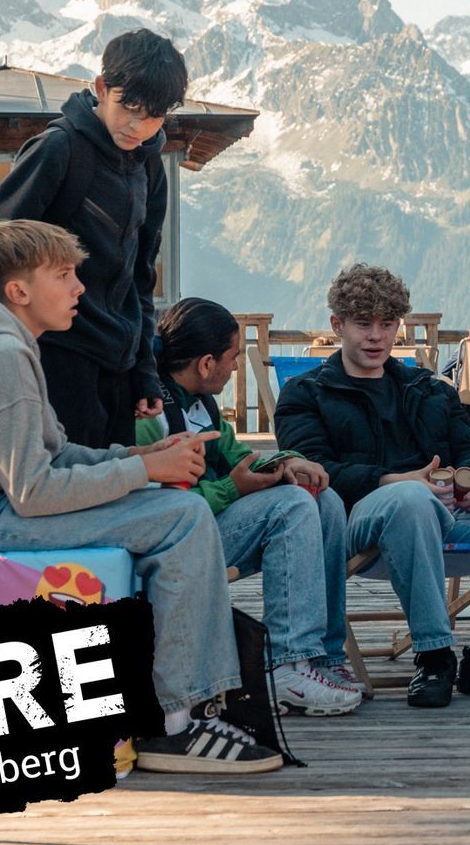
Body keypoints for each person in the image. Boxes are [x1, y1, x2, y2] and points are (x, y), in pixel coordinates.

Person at [0, 220, 281, 774]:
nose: (79, 288)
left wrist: (139, 456)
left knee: (181, 511)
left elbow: (55, 452)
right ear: (19, 291)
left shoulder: (1, 342)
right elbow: (34, 490)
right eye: (63, 275)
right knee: (183, 517)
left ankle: (174, 704)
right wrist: (145, 472)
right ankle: (176, 724)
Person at [274, 264, 470, 709]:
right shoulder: (307, 393)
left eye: (387, 324)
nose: (376, 336)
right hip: (361, 524)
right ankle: (434, 653)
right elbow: (314, 472)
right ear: (337, 325)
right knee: (411, 497)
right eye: (363, 324)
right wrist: (394, 480)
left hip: (448, 513)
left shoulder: (428, 388)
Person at [0, 28, 189, 448]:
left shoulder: (151, 169)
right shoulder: (59, 149)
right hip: (56, 355)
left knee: (113, 483)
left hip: (117, 368)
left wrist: (144, 370)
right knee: (60, 479)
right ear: (102, 88)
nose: (137, 125)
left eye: (153, 116)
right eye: (128, 107)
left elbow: (140, 277)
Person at [137, 297, 365, 716]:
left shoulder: (201, 403)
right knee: (290, 506)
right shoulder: (151, 414)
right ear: (207, 363)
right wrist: (231, 489)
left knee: (324, 501)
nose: (236, 367)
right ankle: (286, 666)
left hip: (207, 526)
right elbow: (159, 508)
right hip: (172, 543)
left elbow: (240, 457)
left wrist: (288, 462)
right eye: (234, 357)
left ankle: (322, 657)